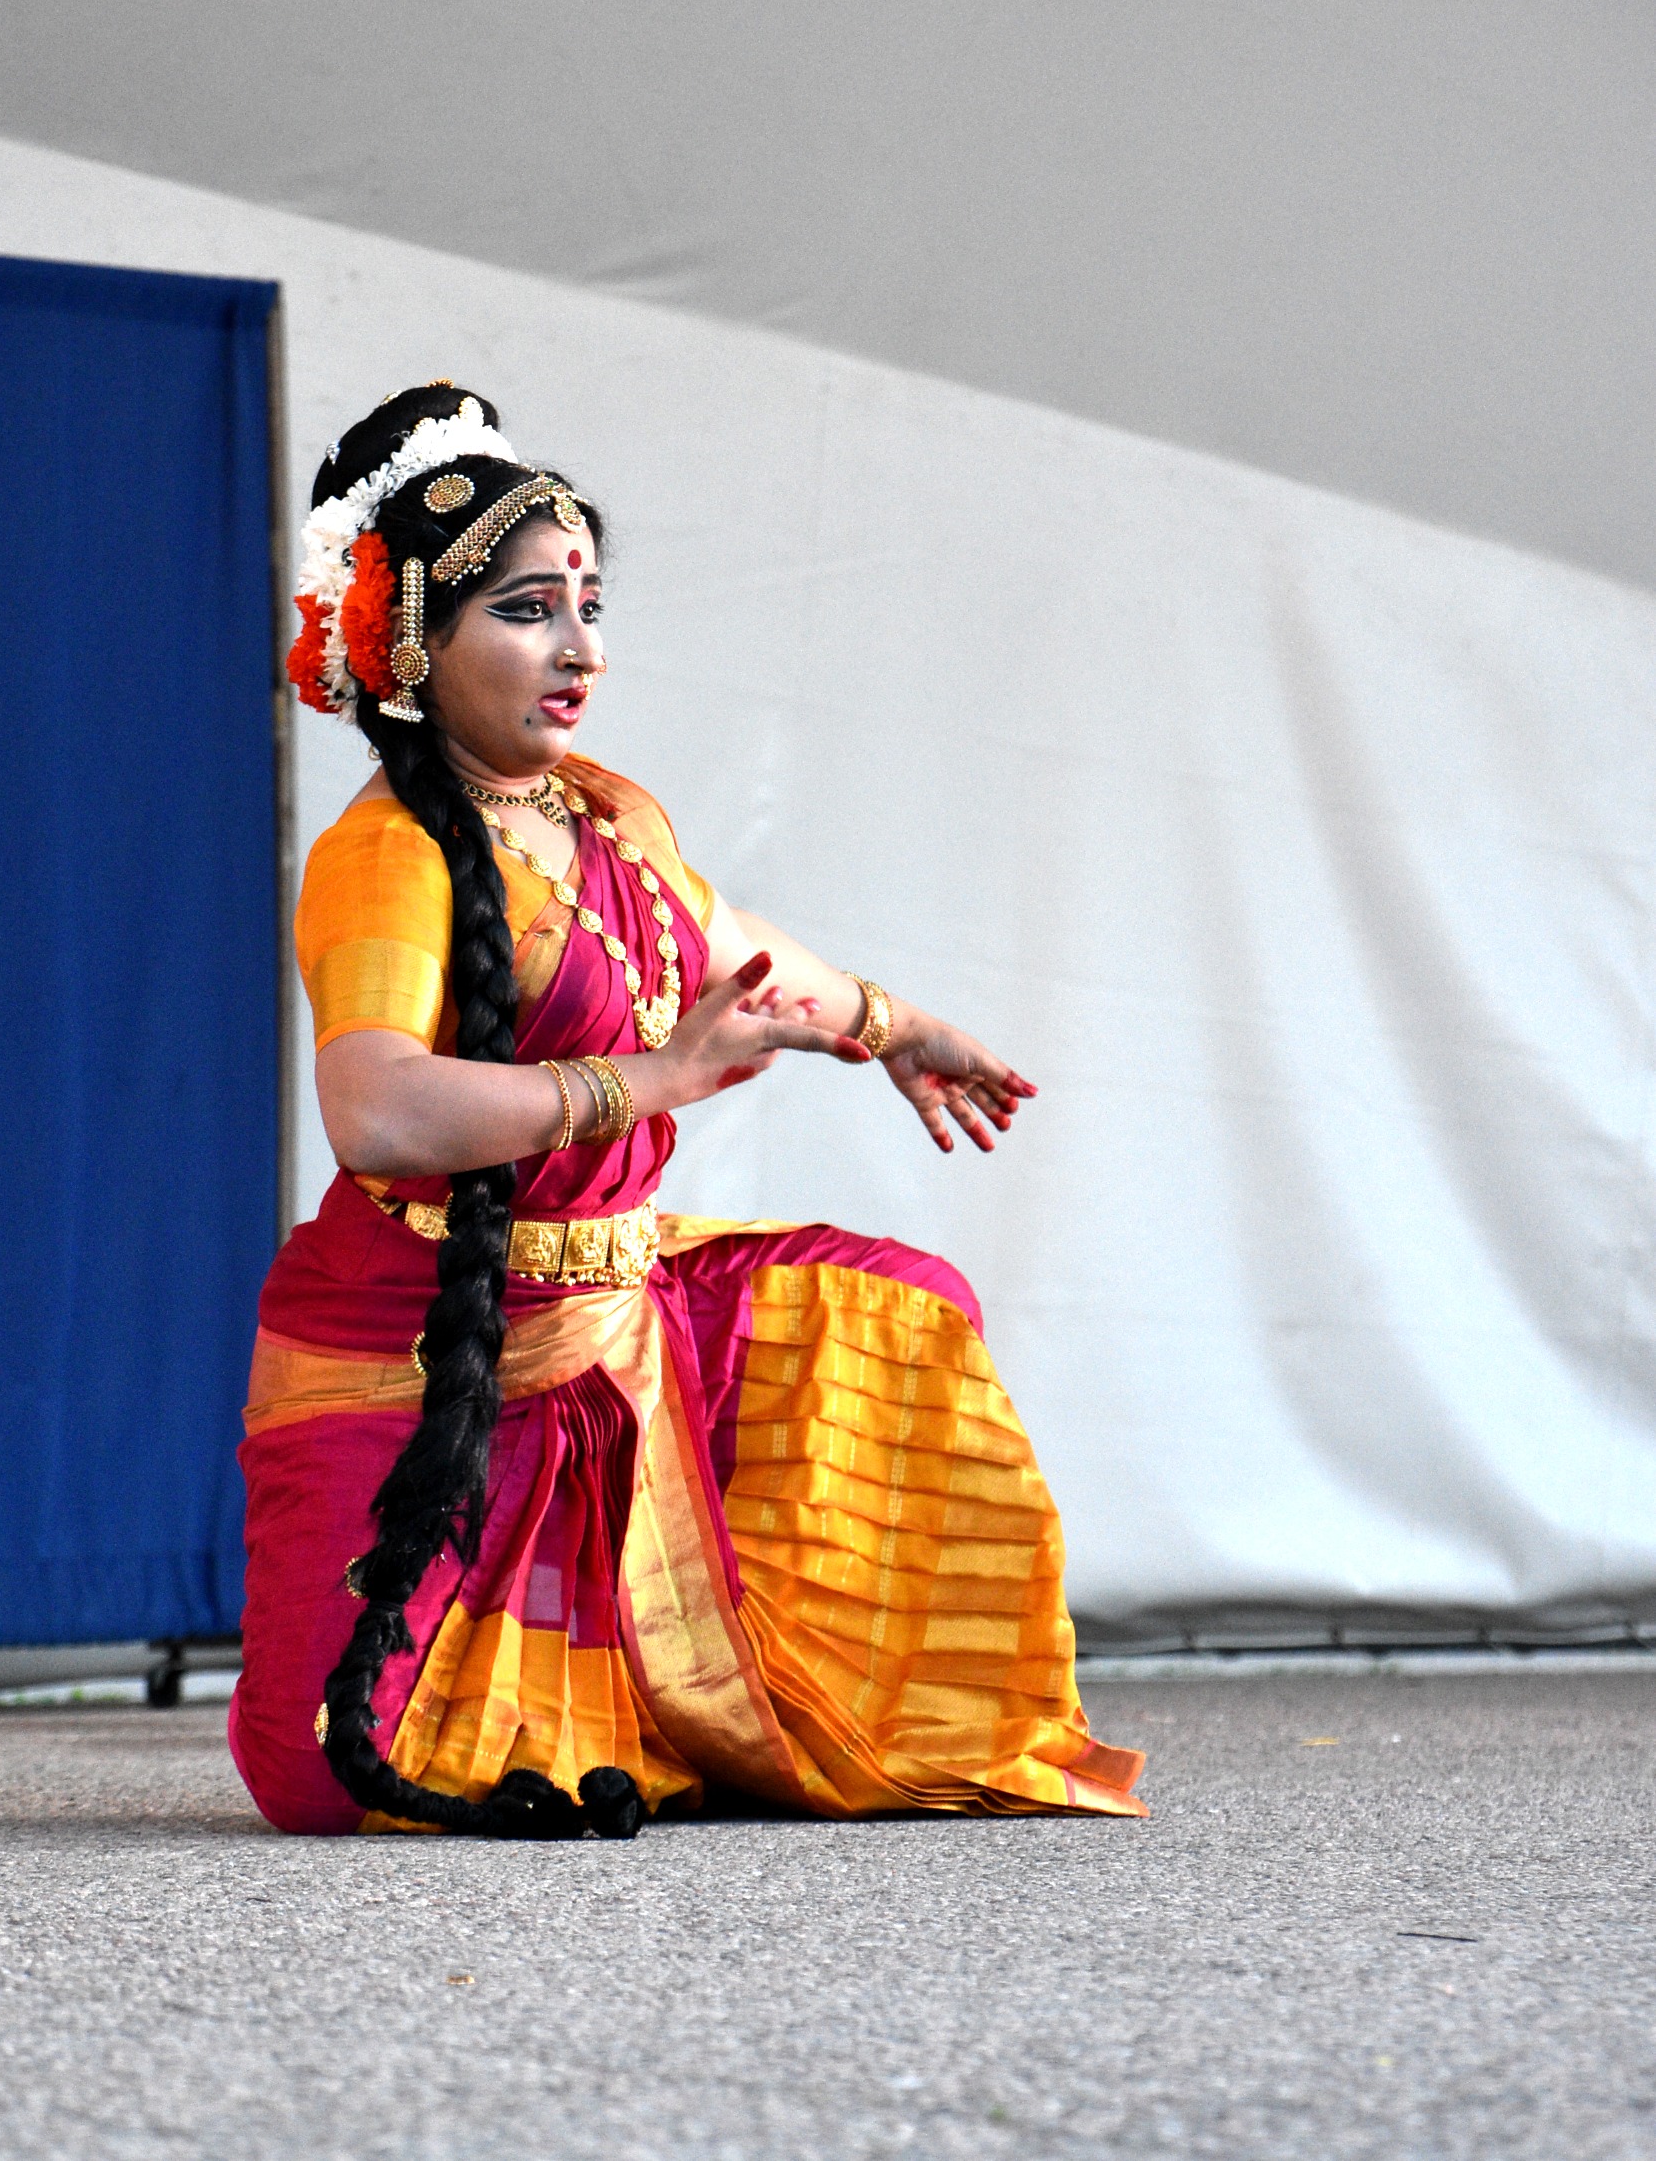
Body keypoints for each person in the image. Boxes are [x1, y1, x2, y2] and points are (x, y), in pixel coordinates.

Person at [228, 384, 1147, 1837]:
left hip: (615, 1324)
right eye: (530, 610)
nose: (581, 649)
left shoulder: (605, 815)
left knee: (899, 1304)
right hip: (417, 1347)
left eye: (587, 603)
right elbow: (379, 1117)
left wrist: (895, 1027)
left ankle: (691, 1703)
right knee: (321, 1766)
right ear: (411, 641)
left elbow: (734, 950)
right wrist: (645, 1086)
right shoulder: (386, 857)